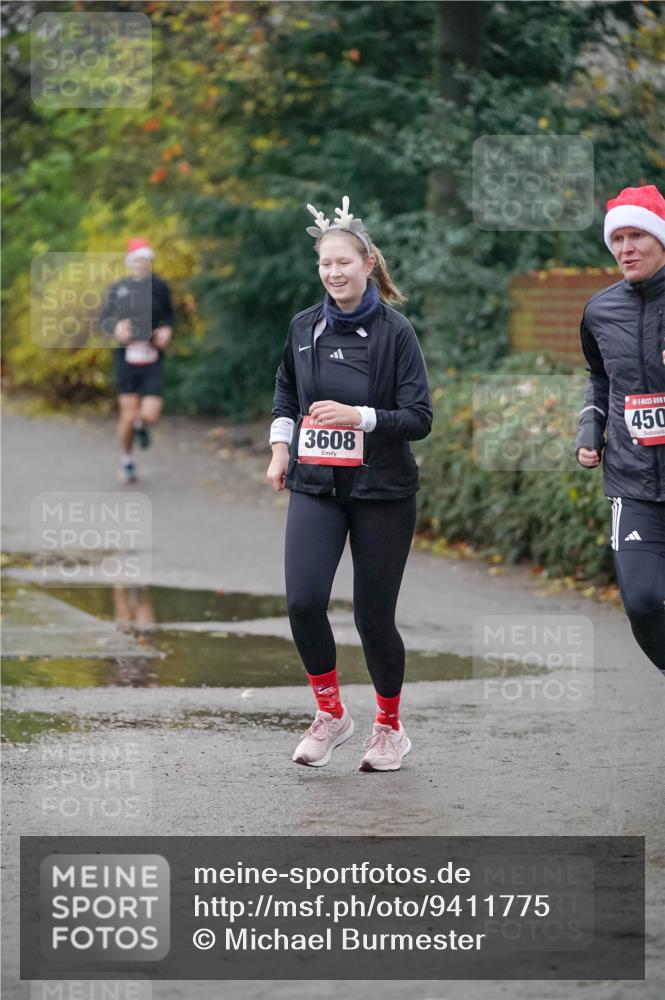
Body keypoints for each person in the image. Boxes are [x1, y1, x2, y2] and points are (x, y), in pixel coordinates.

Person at [266, 195, 433, 770]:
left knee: (372, 618)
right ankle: (331, 713)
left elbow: (420, 418)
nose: (334, 273)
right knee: (303, 601)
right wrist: (280, 447)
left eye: (344, 263)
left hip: (383, 492)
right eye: (325, 264)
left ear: (368, 265)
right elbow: (286, 391)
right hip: (316, 485)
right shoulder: (304, 327)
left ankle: (389, 727)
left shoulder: (396, 333)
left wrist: (359, 417)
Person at [576, 184, 665, 673]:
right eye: (618, 239)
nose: (626, 249)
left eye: (638, 237)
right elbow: (599, 377)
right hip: (632, 482)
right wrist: (591, 428)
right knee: (643, 604)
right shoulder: (599, 311)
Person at [99, 238, 174, 483]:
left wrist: (167, 331)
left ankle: (142, 425)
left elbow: (171, 317)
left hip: (152, 356)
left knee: (150, 414)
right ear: (130, 264)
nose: (142, 265)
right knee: (127, 414)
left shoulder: (160, 287)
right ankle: (127, 461)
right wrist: (116, 328)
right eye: (138, 261)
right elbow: (103, 320)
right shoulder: (118, 288)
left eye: (146, 261)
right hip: (126, 357)